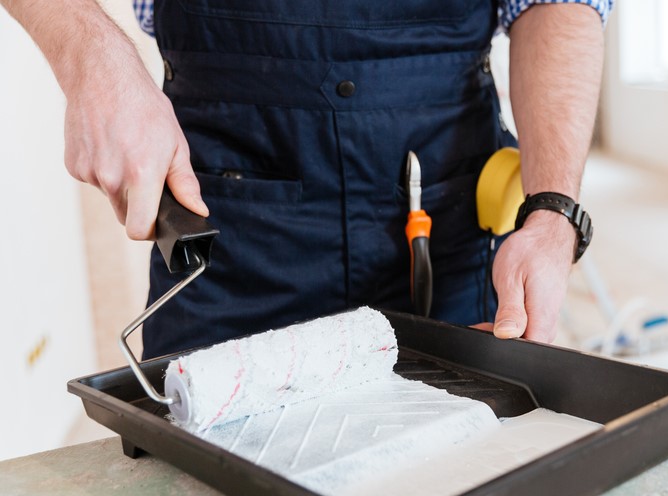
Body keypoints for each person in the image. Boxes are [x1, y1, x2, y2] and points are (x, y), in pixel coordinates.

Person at [1, 0, 608, 358]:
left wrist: (555, 210)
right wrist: (90, 57)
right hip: (227, 206)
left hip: (439, 206)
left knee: (454, 492)